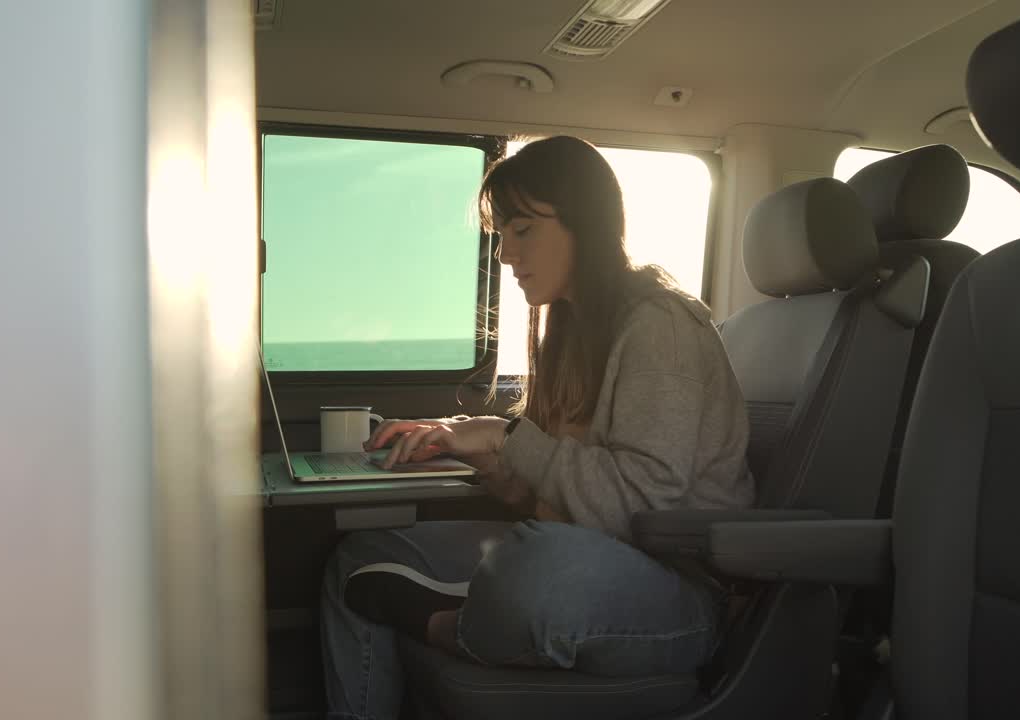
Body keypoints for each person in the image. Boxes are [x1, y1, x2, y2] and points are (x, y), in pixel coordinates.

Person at [320, 135, 756, 720]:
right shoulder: (569, 332)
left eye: (522, 229)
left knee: (540, 567)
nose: (505, 253)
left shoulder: (661, 326)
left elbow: (643, 504)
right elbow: (539, 492)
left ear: (584, 223)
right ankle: (480, 615)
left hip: (677, 589)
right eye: (502, 233)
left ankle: (460, 626)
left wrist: (504, 437)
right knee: (360, 554)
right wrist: (460, 445)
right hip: (585, 550)